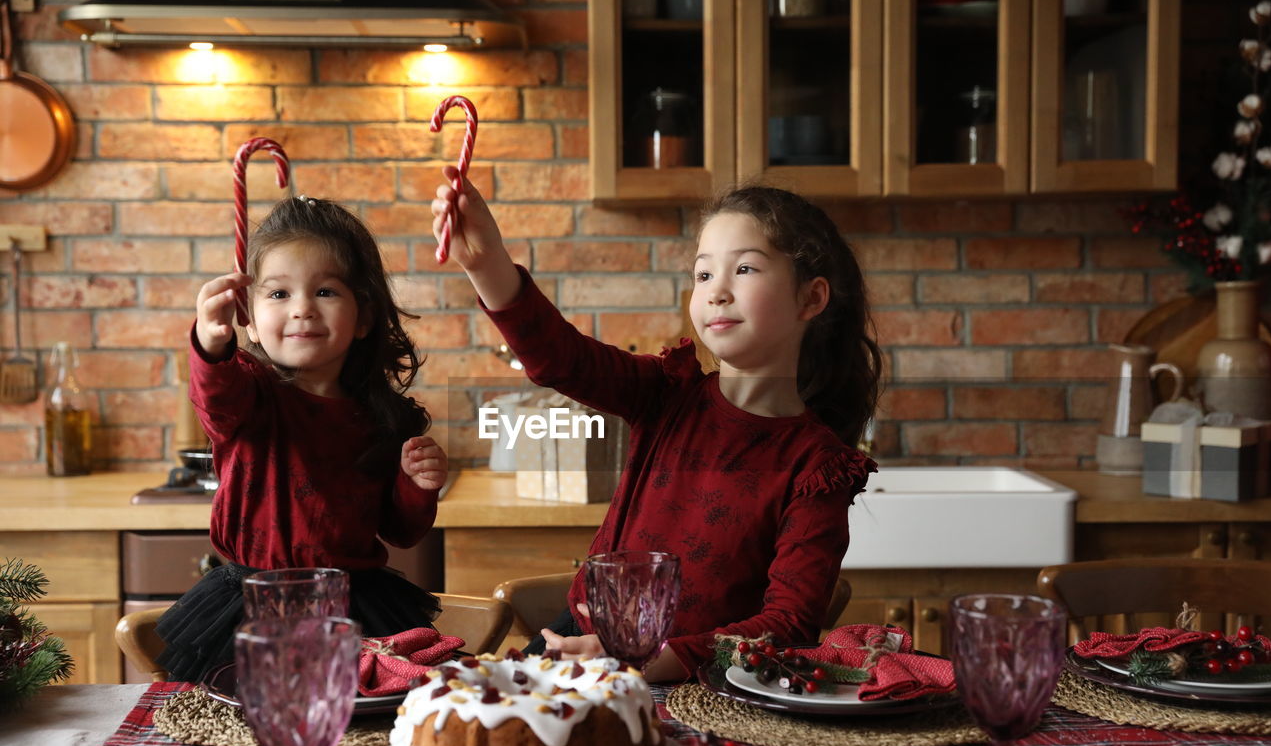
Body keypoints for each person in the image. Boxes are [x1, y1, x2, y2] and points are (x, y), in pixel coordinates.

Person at [432, 172, 880, 681]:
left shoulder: (818, 466)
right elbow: (561, 358)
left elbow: (788, 625)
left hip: (696, 682)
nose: (718, 293)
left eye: (746, 269)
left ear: (811, 299)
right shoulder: (665, 392)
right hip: (575, 650)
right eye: (704, 275)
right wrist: (485, 260)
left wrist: (643, 661)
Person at [156, 196, 447, 683]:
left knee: (358, 725)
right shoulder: (248, 394)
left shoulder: (382, 419)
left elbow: (400, 529)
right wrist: (211, 341)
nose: (302, 310)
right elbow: (215, 395)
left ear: (365, 317)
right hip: (254, 606)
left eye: (326, 291)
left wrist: (417, 486)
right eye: (278, 295)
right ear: (246, 315)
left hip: (356, 609)